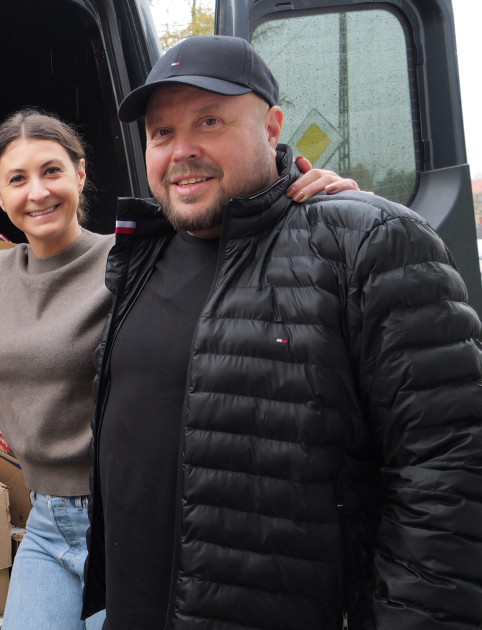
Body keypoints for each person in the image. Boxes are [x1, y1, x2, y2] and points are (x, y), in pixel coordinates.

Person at [0, 108, 351, 628]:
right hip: (45, 524)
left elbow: (234, 237)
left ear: (80, 175)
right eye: (18, 179)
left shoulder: (138, 261)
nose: (37, 192)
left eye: (52, 171)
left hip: (129, 522)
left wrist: (318, 204)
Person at [82, 35, 482, 629]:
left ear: (272, 127)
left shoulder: (365, 243)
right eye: (161, 133)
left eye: (210, 120)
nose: (181, 150)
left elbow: (450, 474)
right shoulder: (138, 257)